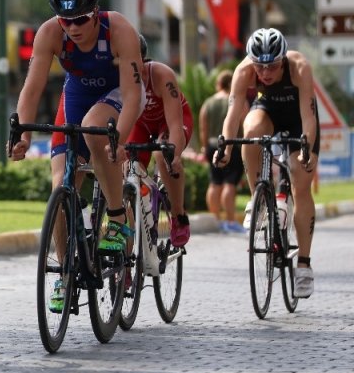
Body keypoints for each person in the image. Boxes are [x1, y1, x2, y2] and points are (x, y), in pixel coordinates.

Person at [9, 0, 144, 258]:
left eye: (81, 19)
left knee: (93, 126)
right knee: (61, 186)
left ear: (95, 12)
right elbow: (32, 89)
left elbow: (133, 93)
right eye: (66, 21)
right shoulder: (49, 33)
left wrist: (119, 139)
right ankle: (63, 271)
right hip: (77, 95)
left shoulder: (118, 28)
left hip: (118, 92)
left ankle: (118, 218)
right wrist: (23, 133)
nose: (73, 28)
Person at [214, 28, 319, 298]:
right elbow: (233, 112)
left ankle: (304, 264)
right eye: (260, 66)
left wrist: (306, 147)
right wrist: (224, 144)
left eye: (272, 65)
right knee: (250, 135)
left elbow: (308, 114)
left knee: (300, 178)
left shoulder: (299, 67)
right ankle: (258, 200)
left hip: (298, 118)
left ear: (283, 60)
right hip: (268, 111)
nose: (266, 73)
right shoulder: (244, 71)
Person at [126, 34, 192, 246]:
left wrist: (175, 154)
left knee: (164, 154)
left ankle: (178, 215)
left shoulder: (162, 75)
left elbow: (174, 123)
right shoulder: (119, 77)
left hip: (170, 120)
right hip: (141, 124)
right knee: (126, 169)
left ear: (144, 60)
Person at [199, 69, 246, 234]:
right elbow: (244, 121)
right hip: (232, 145)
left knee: (215, 182)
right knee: (230, 183)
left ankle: (216, 219)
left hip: (212, 145)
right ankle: (230, 221)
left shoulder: (209, 103)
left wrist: (205, 147)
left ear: (219, 84)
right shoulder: (235, 101)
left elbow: (203, 127)